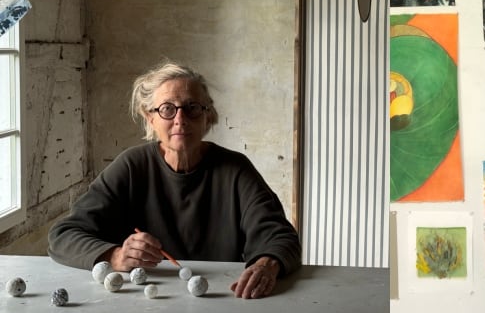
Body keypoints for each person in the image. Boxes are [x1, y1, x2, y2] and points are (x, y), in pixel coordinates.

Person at [48, 61, 302, 299]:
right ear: (150, 117)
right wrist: (115, 256)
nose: (180, 119)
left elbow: (281, 237)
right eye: (167, 109)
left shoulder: (235, 169)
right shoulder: (130, 166)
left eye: (192, 108)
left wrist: (267, 264)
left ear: (207, 116)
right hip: (142, 304)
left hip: (221, 297)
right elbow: (63, 236)